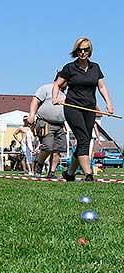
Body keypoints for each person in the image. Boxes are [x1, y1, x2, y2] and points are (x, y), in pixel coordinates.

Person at [53, 37, 114, 182]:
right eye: (80, 50)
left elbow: (102, 87)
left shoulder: (96, 67)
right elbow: (57, 84)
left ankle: (70, 173)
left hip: (90, 109)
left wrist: (109, 104)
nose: (83, 52)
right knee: (83, 138)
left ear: (90, 51)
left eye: (86, 49)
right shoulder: (69, 68)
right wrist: (55, 98)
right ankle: (88, 174)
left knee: (84, 140)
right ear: (76, 51)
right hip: (73, 107)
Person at [28, 72, 68, 179]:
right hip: (45, 122)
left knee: (57, 149)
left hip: (59, 124)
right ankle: (39, 166)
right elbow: (35, 101)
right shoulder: (46, 88)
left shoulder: (64, 95)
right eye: (67, 81)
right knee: (48, 147)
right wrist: (31, 114)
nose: (68, 84)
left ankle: (52, 172)